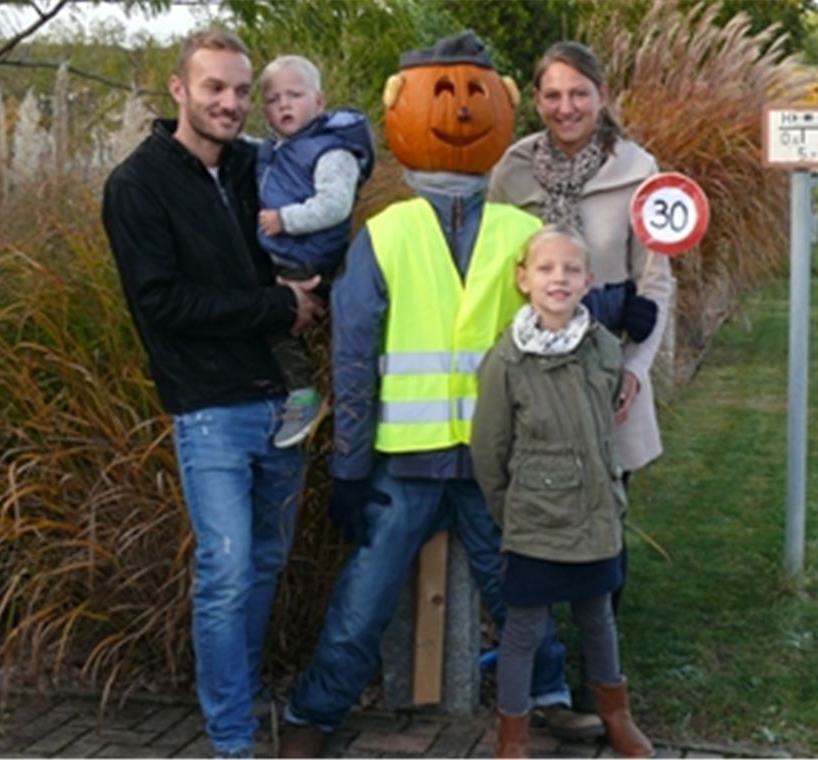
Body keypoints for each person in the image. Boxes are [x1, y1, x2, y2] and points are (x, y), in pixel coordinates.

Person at [277, 31, 571, 758]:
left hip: (492, 460)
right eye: (441, 92)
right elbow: (352, 356)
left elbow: (556, 334)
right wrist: (349, 466)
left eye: (476, 94)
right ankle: (315, 713)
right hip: (401, 462)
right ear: (399, 107)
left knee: (518, 589)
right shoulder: (386, 234)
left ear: (502, 107)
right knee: (364, 597)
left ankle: (550, 694)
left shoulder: (525, 233)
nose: (459, 110)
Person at [101, 29, 324, 759]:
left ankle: (247, 697)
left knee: (264, 563)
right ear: (178, 90)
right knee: (226, 570)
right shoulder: (138, 185)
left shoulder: (259, 167)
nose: (230, 103)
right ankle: (232, 738)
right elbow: (162, 302)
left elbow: (322, 204)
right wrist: (275, 306)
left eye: (239, 90)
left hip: (285, 403)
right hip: (210, 410)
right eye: (214, 89)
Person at [488, 39, 675, 735]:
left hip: (608, 375)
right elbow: (498, 270)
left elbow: (656, 279)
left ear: (601, 96)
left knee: (605, 532)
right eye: (552, 94)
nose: (566, 107)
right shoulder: (510, 173)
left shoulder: (639, 171)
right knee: (534, 538)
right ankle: (537, 696)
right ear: (537, 100)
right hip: (534, 381)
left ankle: (601, 695)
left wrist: (634, 368)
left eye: (579, 93)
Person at [471, 225, 656, 759]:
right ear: (523, 280)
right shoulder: (507, 362)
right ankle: (513, 736)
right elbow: (490, 448)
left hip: (595, 512)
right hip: (535, 517)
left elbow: (605, 425)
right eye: (547, 269)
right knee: (524, 627)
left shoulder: (600, 345)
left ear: (588, 281)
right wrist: (512, 512)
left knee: (597, 616)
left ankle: (616, 715)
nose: (559, 279)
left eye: (571, 270)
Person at [256, 54, 375, 449]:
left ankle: (303, 394)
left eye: (294, 95)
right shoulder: (281, 149)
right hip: (284, 255)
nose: (284, 105)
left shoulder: (330, 152)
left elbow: (335, 205)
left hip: (308, 256)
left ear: (319, 101)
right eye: (273, 99)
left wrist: (284, 220)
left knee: (279, 323)